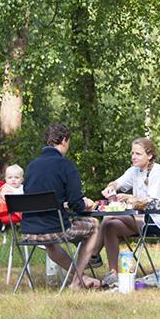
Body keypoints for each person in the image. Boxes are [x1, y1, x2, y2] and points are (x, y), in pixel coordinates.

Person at [22, 123, 103, 290]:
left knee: (52, 244)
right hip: (55, 229)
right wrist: (85, 204)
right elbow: (77, 205)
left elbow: (34, 197)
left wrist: (61, 203)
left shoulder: (31, 166)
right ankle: (77, 282)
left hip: (30, 232)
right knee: (94, 225)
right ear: (64, 141)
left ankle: (81, 277)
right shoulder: (66, 165)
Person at [98, 136, 160, 287]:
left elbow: (151, 203)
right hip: (140, 220)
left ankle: (92, 255)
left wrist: (128, 199)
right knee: (109, 225)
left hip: (158, 222)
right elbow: (117, 182)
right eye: (132, 153)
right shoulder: (134, 171)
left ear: (150, 155)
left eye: (138, 154)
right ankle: (113, 274)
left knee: (110, 215)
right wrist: (111, 188)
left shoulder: (157, 172)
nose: (133, 157)